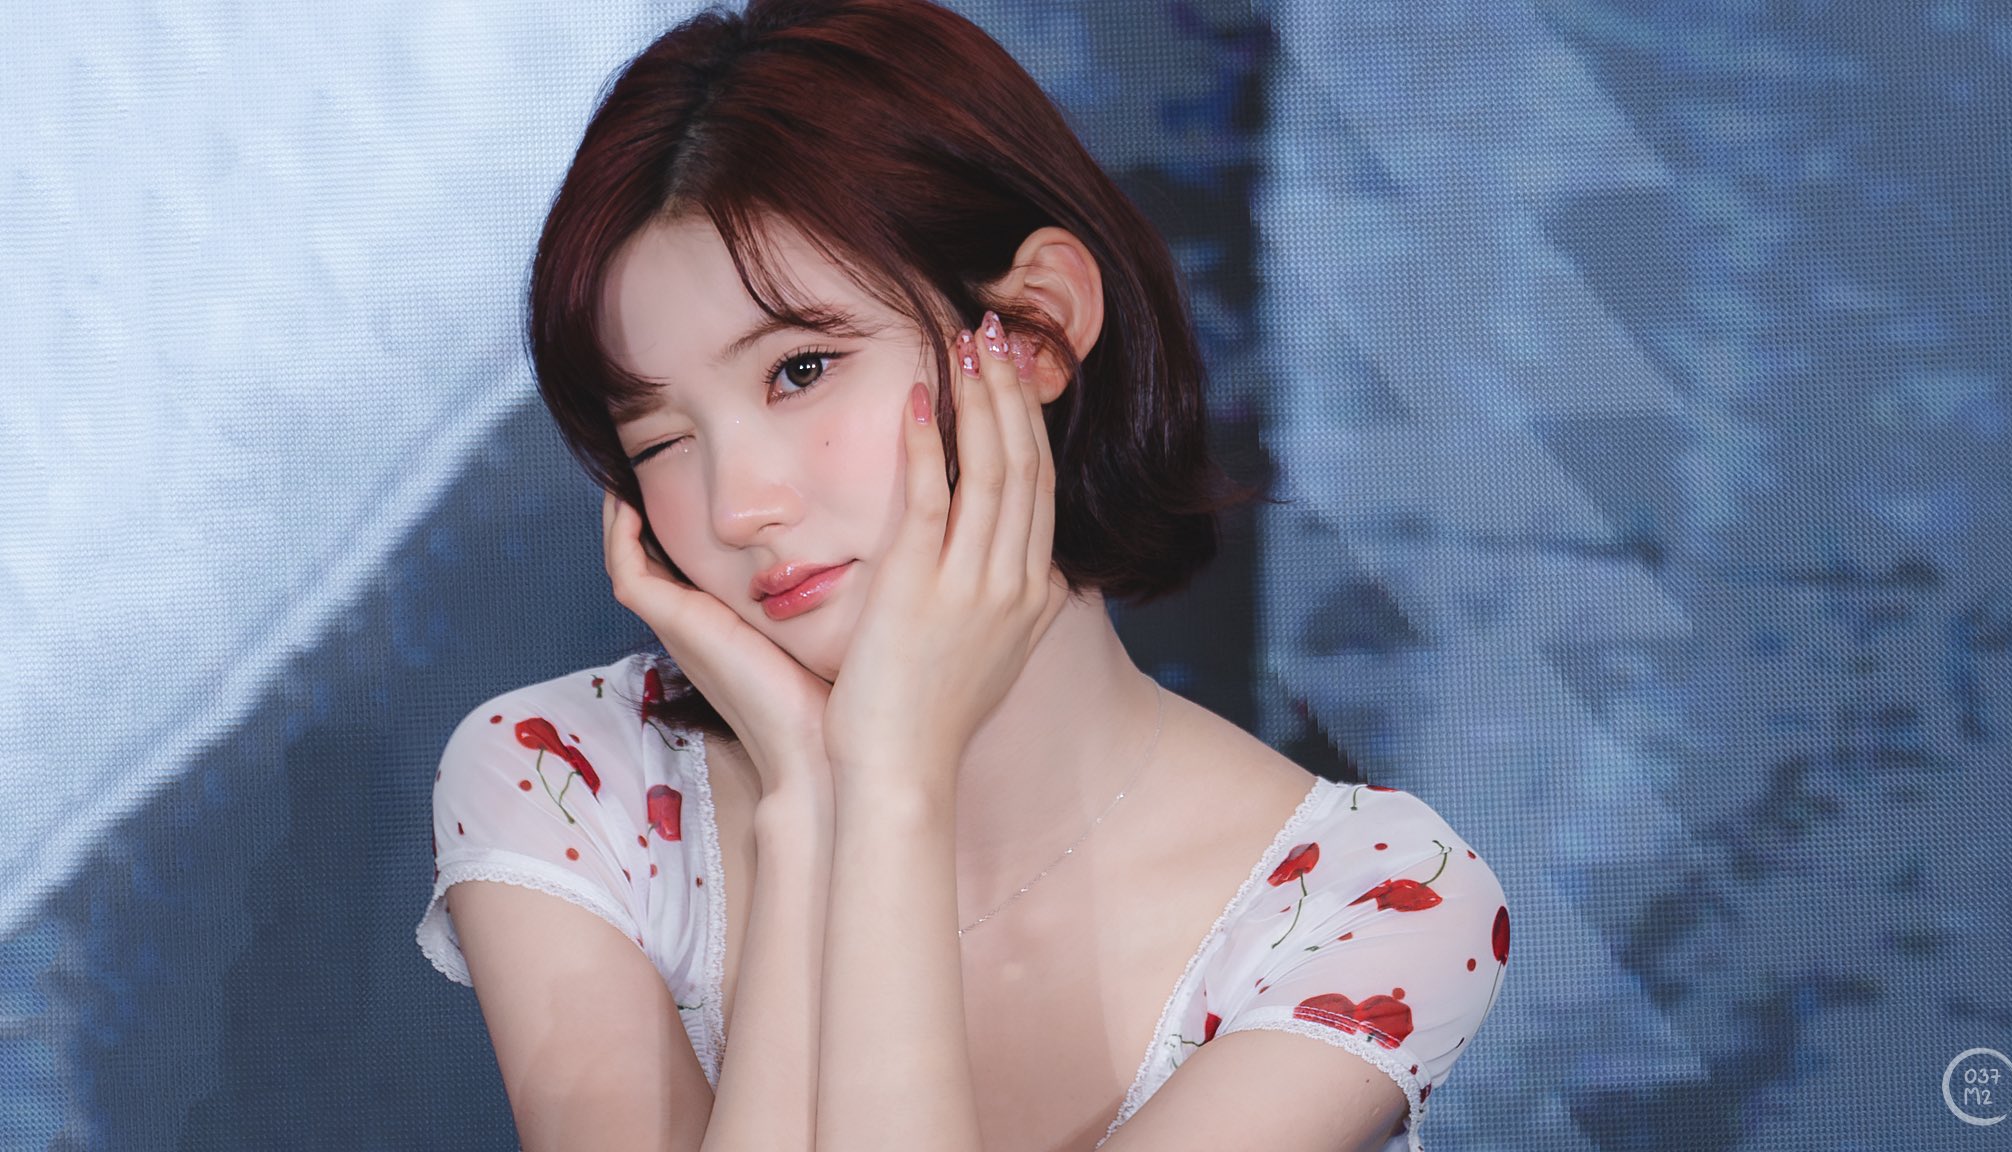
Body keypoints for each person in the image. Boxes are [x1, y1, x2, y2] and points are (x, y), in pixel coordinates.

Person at [414, 1, 1511, 1149]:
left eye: (800, 369)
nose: (739, 506)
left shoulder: (1374, 905)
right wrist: (809, 809)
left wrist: (888, 781)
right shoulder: (561, 781)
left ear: (1033, 326)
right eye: (660, 438)